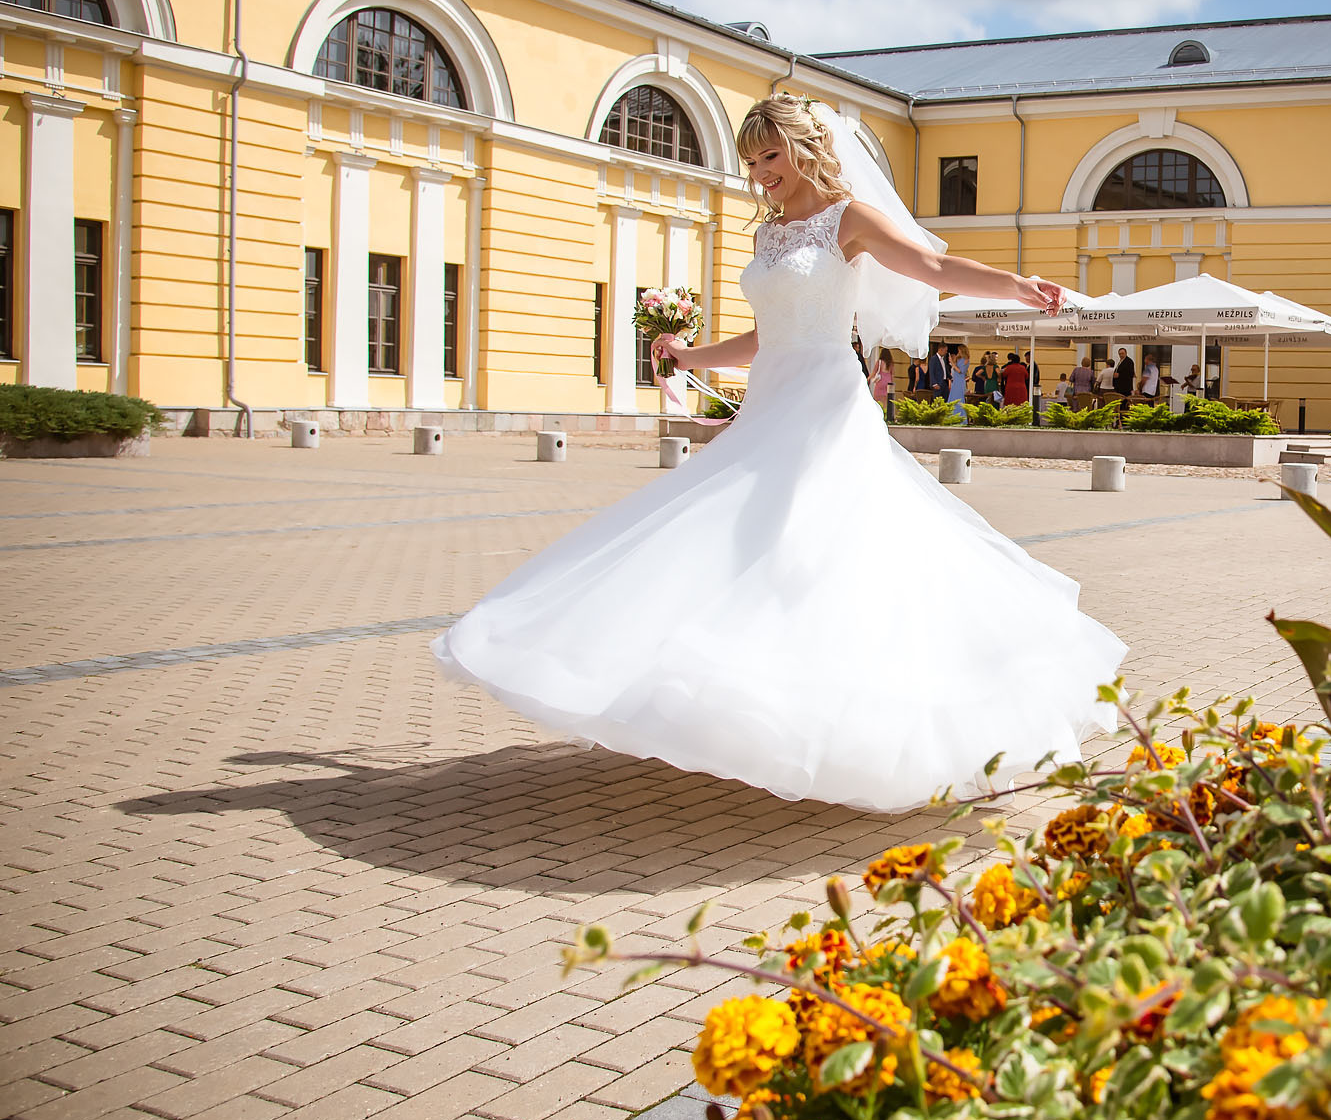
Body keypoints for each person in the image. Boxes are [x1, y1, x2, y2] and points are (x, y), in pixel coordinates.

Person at [432, 93, 1122, 810]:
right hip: (771, 399)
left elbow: (928, 267)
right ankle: (731, 710)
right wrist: (692, 354)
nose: (763, 172)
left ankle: (851, 725)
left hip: (826, 405)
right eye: (753, 160)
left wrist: (1016, 285)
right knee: (728, 540)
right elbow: (768, 334)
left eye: (772, 155)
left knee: (821, 550)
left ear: (804, 148)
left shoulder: (846, 219)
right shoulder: (769, 236)